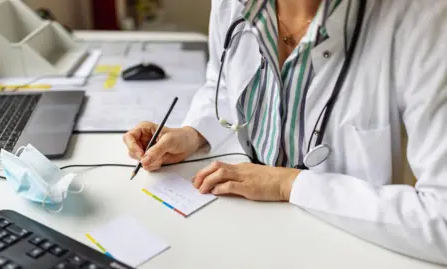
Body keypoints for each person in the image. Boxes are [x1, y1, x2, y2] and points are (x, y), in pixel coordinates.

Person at [124, 0, 447, 265]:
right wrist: (194, 133)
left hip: (343, 246)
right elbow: (222, 82)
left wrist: (288, 184)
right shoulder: (233, 4)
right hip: (239, 232)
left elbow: (441, 220)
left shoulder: (425, 20)